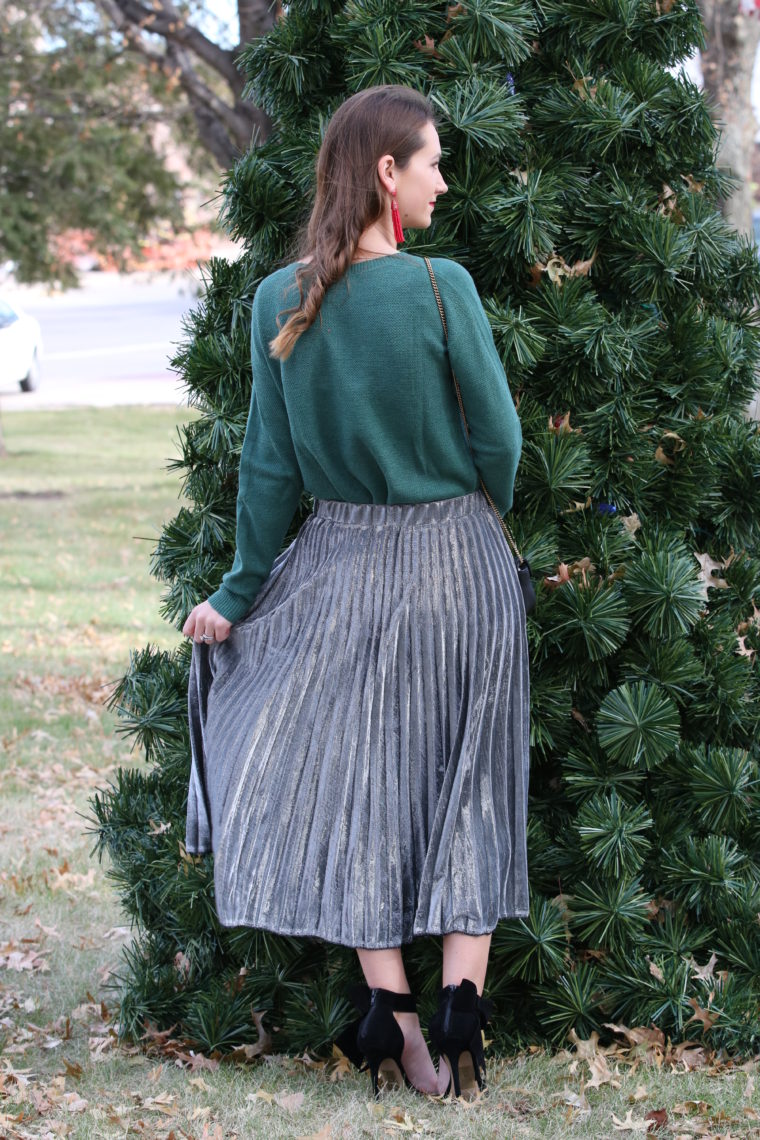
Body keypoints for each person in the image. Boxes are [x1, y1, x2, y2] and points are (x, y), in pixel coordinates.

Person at [182, 84, 530, 1103]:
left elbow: (268, 469)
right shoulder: (441, 288)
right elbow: (501, 440)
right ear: (387, 172)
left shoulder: (277, 301)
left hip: (338, 564)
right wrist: (481, 511)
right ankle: (465, 1011)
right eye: (431, 160)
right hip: (459, 561)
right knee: (471, 782)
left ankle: (395, 1016)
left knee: (362, 794)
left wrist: (238, 595)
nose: (443, 177)